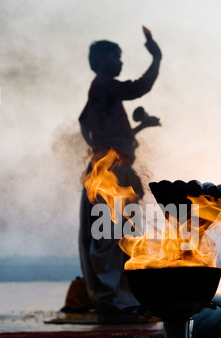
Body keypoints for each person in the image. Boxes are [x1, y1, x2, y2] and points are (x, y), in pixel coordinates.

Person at [65, 27, 162, 322]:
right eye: (116, 56)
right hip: (108, 175)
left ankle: (121, 300)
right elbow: (138, 88)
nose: (120, 62)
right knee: (108, 239)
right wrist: (156, 57)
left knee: (124, 238)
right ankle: (111, 303)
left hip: (115, 171)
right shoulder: (104, 86)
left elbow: (89, 123)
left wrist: (138, 129)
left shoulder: (101, 93)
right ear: (101, 59)